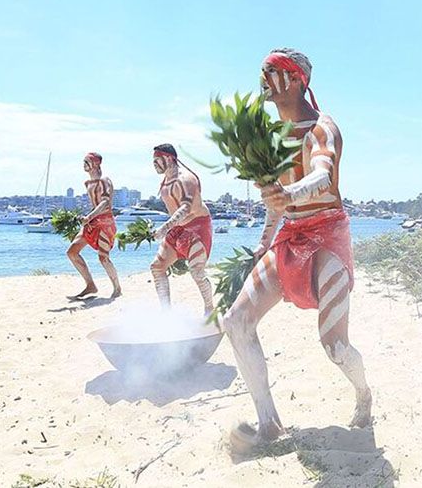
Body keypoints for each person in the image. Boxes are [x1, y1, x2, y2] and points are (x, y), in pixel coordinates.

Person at [222, 48, 372, 449]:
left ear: (296, 79)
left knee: (335, 347)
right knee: (235, 322)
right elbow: (276, 204)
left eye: (271, 72)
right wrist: (263, 241)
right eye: (263, 73)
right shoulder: (272, 139)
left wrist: (288, 194)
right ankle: (269, 422)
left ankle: (363, 392)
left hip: (327, 240)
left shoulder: (322, 127)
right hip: (290, 238)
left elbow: (322, 177)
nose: (264, 80)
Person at [150, 144, 214, 315]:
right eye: (153, 160)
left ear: (169, 158)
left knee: (197, 272)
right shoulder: (165, 182)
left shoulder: (186, 179)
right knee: (157, 267)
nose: (154, 164)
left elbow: (186, 208)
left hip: (197, 226)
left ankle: (210, 309)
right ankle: (166, 313)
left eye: (157, 160)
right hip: (178, 228)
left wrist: (164, 227)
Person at [65, 152, 121, 299]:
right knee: (72, 252)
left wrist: (89, 216)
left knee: (103, 257)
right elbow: (95, 204)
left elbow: (104, 202)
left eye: (86, 161)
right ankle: (90, 285)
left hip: (105, 223)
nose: (84, 164)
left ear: (95, 164)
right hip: (92, 222)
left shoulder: (104, 181)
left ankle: (117, 288)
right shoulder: (87, 183)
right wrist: (86, 217)